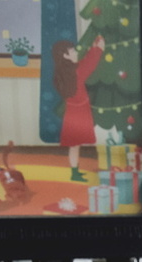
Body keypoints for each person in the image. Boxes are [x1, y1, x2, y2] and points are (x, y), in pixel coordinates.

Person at [52, 36, 105, 182]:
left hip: (72, 111)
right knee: (75, 145)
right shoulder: (75, 72)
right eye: (72, 50)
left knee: (75, 145)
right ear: (65, 55)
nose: (76, 52)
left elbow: (84, 63)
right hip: (79, 111)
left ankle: (75, 172)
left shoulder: (63, 73)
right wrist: (98, 48)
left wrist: (94, 47)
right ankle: (74, 173)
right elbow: (89, 63)